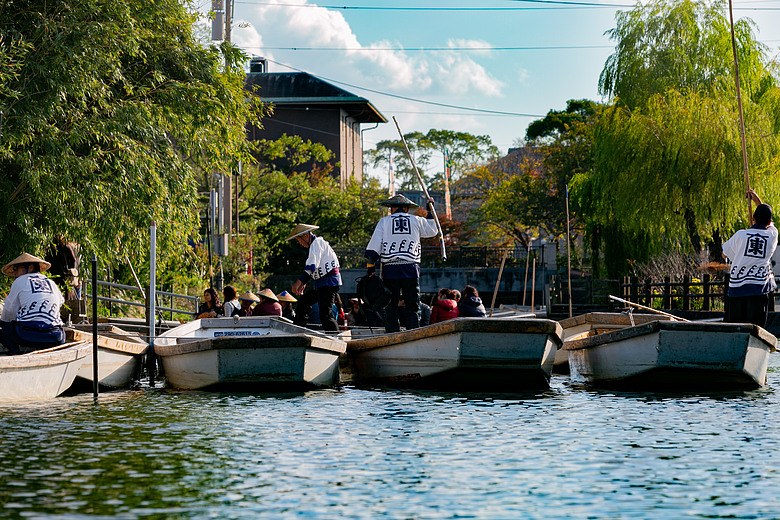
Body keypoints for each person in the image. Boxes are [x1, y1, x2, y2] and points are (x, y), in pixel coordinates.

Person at [365, 194, 439, 333]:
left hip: (390, 269)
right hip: (410, 267)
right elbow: (432, 230)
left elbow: (375, 245)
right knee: (413, 304)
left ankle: (392, 333)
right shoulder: (417, 220)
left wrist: (371, 267)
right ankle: (413, 333)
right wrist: (430, 211)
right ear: (406, 208)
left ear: (392, 208)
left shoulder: (384, 221)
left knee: (390, 304)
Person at [722, 189, 778, 327]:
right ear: (770, 221)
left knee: (733, 327)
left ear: (753, 218)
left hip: (737, 289)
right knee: (755, 328)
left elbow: (724, 253)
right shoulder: (772, 236)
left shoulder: (740, 235)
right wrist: (757, 200)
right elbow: (769, 222)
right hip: (758, 289)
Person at [1, 253, 66, 355]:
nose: (14, 273)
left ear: (30, 268)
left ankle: (16, 354)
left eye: (16, 269)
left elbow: (9, 312)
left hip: (26, 335)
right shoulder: (51, 283)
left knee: (5, 332)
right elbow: (60, 302)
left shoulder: (20, 281)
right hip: (55, 337)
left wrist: (4, 324)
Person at [287, 224, 342, 332]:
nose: (300, 244)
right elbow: (315, 267)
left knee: (326, 315)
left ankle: (336, 338)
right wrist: (304, 283)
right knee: (304, 302)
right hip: (321, 283)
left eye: (300, 240)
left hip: (329, 283)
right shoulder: (315, 245)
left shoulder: (317, 243)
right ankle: (298, 330)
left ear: (306, 236)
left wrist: (300, 282)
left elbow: (312, 266)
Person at [44, 235, 81, 300]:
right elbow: (73, 260)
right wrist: (70, 270)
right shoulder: (65, 247)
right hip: (64, 276)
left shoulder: (49, 249)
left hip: (52, 277)